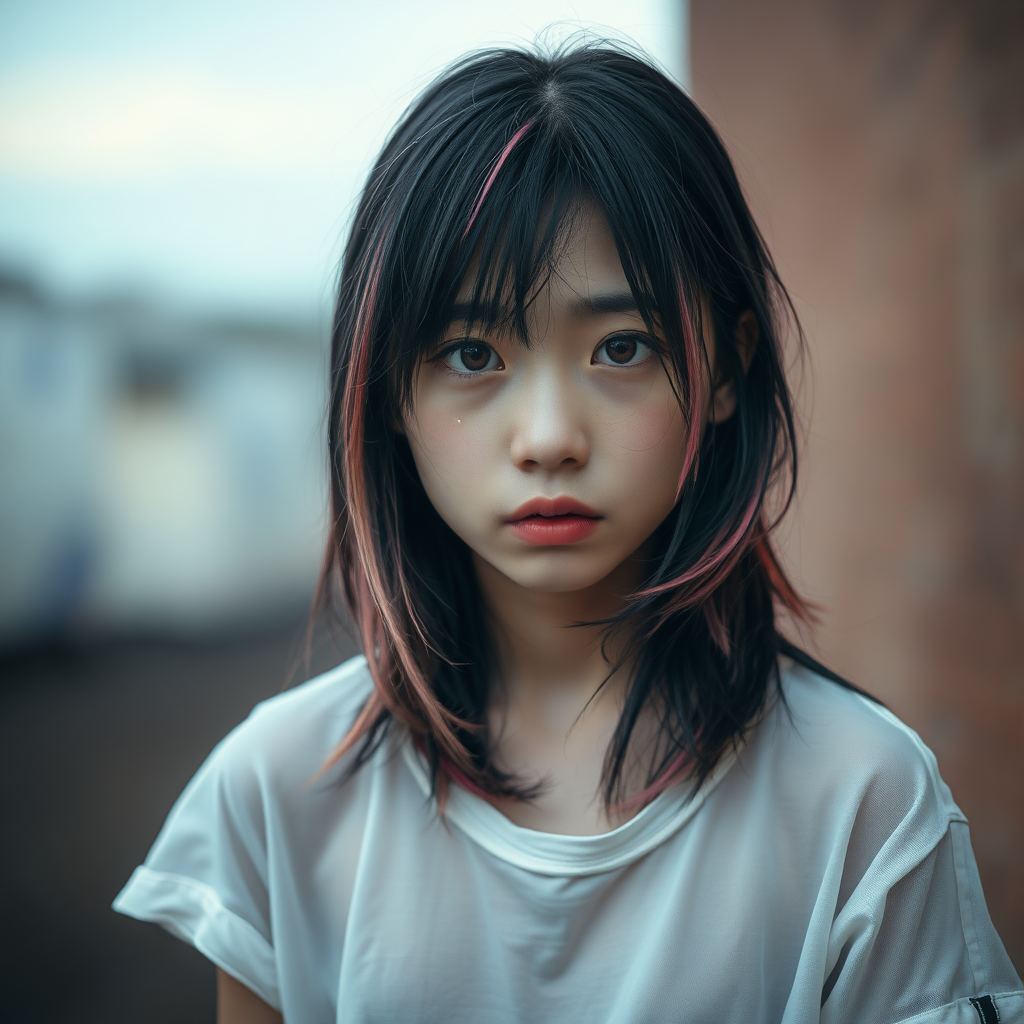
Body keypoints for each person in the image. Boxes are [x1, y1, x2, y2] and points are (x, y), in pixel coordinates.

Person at [114, 43, 1022, 1023]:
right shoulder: (280, 791)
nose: (548, 437)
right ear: (387, 394)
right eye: (473, 353)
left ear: (725, 371)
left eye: (620, 347)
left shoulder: (863, 801)